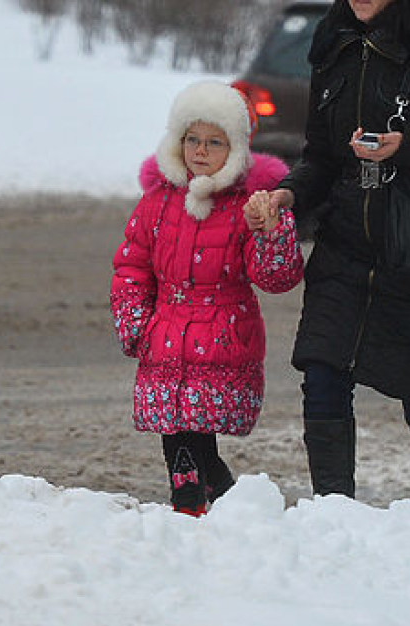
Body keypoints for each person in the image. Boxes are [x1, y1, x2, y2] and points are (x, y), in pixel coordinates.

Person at [247, 0, 410, 512]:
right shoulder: (333, 43)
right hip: (345, 249)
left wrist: (405, 146)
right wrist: (288, 194)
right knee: (322, 375)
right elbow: (320, 155)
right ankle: (334, 515)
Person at [111, 81, 304, 516]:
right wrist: (134, 318)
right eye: (192, 139)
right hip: (164, 333)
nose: (201, 150)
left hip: (221, 337)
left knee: (196, 431)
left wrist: (270, 231)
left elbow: (274, 278)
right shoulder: (158, 201)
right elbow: (132, 266)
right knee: (178, 429)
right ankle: (196, 501)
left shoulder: (245, 205)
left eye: (214, 142)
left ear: (234, 149)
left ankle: (208, 501)